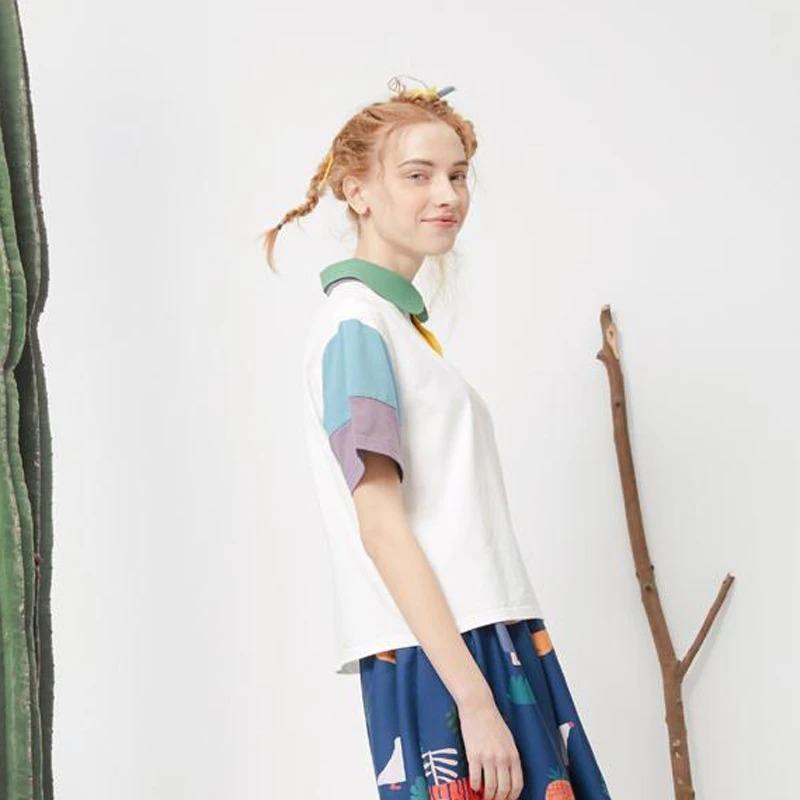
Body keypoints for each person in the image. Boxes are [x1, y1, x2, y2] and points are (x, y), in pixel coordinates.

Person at [262, 76, 611, 800]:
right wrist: (475, 700)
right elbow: (381, 527)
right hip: (449, 654)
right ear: (357, 191)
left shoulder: (391, 327)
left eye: (457, 174)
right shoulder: (357, 327)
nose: (447, 195)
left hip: (480, 638)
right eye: (417, 175)